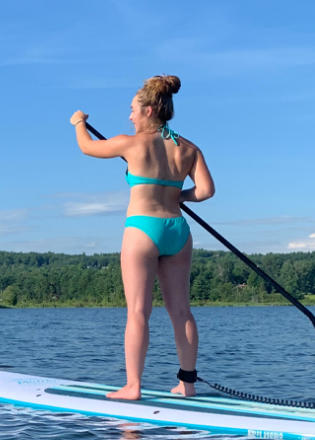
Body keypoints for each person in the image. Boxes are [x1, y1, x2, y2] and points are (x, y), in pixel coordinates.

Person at [70, 75, 215, 400]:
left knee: (138, 311)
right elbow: (206, 191)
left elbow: (86, 147)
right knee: (181, 312)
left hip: (143, 230)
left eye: (133, 110)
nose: (130, 116)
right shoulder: (188, 148)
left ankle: (133, 387)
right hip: (178, 232)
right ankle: (187, 385)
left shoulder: (131, 143)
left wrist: (79, 122)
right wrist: (180, 197)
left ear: (149, 110)